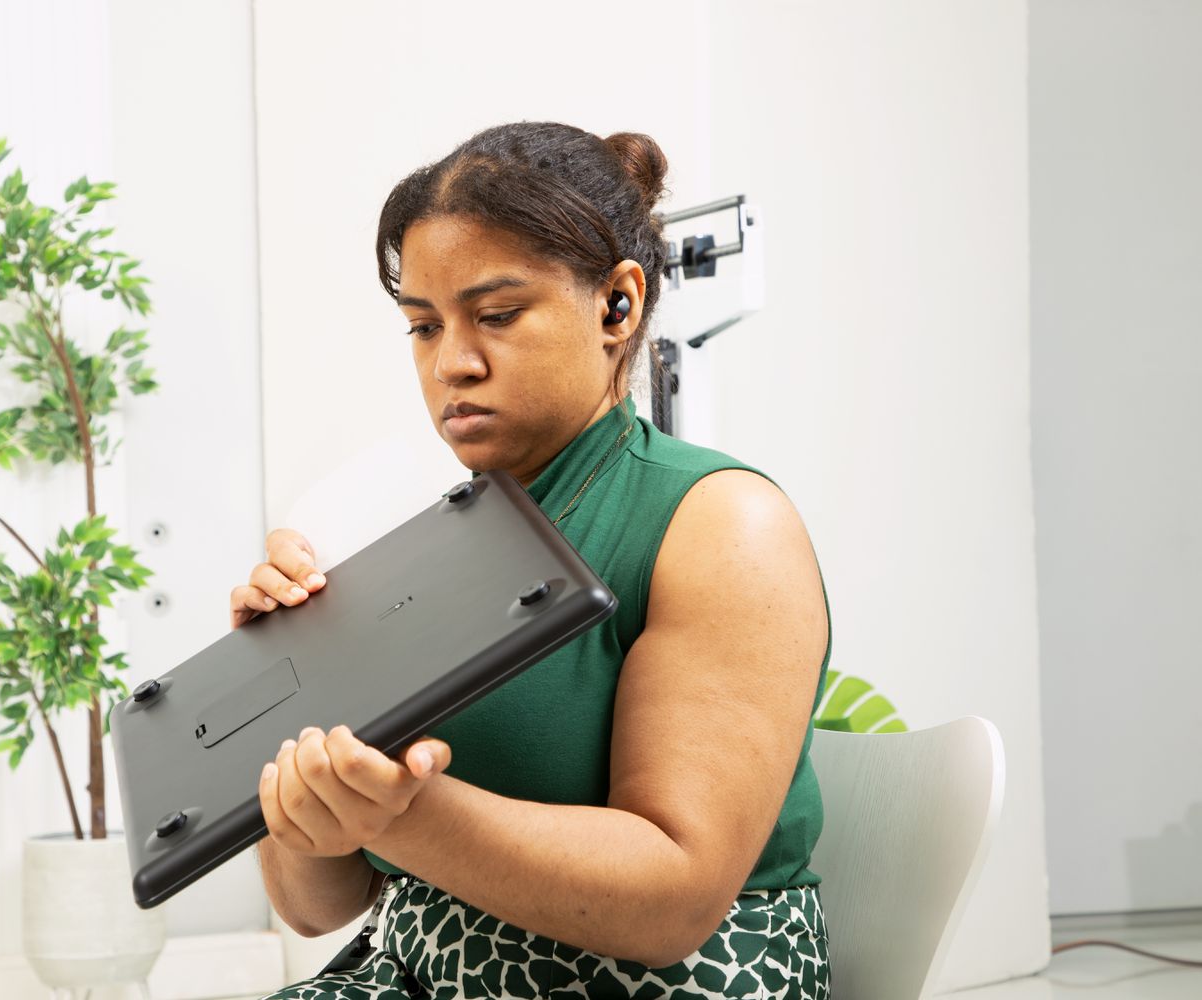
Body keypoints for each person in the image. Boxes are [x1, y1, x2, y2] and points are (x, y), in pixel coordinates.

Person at [231, 121, 832, 1000]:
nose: (453, 364)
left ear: (616, 305)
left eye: (498, 316)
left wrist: (407, 814)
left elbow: (674, 902)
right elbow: (317, 907)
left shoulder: (723, 525)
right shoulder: (433, 543)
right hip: (422, 970)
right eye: (424, 327)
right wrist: (293, 721)